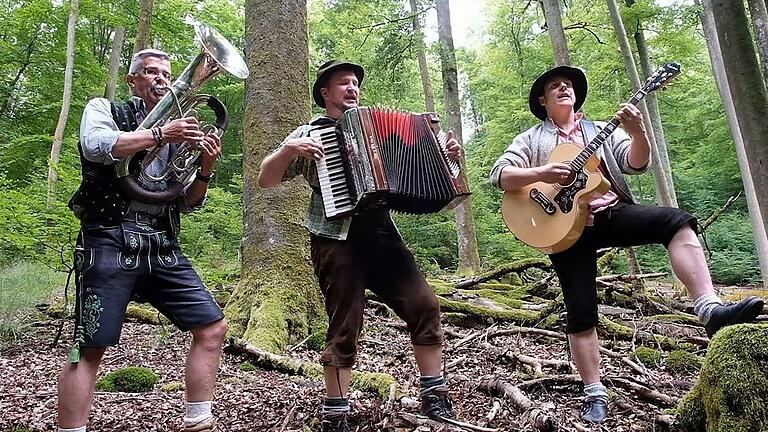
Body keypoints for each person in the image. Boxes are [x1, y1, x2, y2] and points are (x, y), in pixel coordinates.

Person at [489, 65, 764, 424]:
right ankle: (594, 393)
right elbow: (501, 175)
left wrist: (637, 133)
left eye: (568, 85)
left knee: (676, 222)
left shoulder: (597, 130)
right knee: (581, 309)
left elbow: (636, 163)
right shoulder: (531, 139)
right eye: (554, 86)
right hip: (561, 229)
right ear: (543, 99)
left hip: (609, 213)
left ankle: (709, 309)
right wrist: (542, 173)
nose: (563, 89)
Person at [258, 60, 463, 432]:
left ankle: (434, 393)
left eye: (355, 84)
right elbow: (266, 179)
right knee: (344, 324)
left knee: (425, 305)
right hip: (335, 239)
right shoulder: (310, 132)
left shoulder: (377, 128)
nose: (351, 89)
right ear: (325, 92)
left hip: (382, 236)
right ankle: (335, 412)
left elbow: (436, 179)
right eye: (343, 84)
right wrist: (288, 149)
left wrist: (449, 160)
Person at [57, 49, 227, 432]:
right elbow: (97, 146)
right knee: (87, 346)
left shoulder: (180, 127)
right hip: (109, 238)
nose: (161, 78)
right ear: (133, 80)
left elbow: (186, 203)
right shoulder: (105, 109)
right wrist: (159, 134)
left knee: (213, 326)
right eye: (150, 72)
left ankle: (198, 420)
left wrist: (205, 168)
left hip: (161, 242)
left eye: (166, 72)